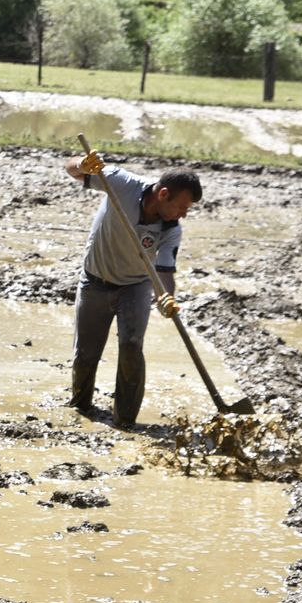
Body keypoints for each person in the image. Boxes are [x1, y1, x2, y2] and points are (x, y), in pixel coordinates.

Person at [64, 149, 201, 429]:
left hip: (135, 287)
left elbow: (164, 271)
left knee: (131, 347)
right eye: (181, 206)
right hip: (95, 280)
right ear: (163, 194)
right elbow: (72, 171)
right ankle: (80, 406)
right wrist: (83, 164)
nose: (183, 214)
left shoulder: (170, 229)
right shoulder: (121, 183)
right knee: (86, 352)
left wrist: (167, 297)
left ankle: (125, 420)